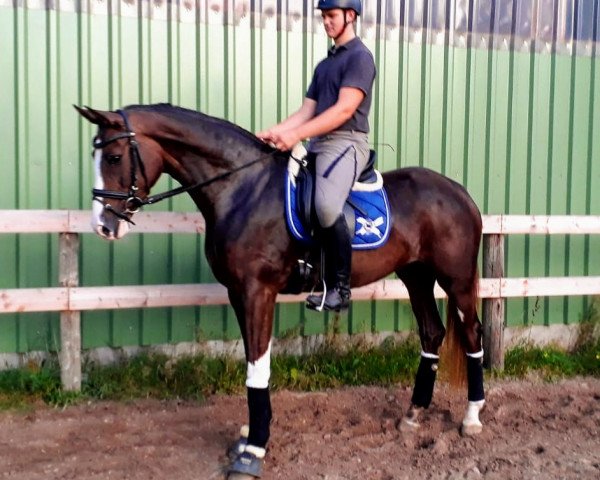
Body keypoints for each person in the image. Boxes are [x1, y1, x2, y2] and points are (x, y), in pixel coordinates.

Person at [257, 0, 376, 312]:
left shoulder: (360, 58)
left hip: (347, 142)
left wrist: (297, 135)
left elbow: (344, 109)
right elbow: (307, 110)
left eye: (331, 16)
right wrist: (274, 132)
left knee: (325, 206)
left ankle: (340, 289)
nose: (326, 22)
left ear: (351, 16)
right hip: (319, 143)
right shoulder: (325, 65)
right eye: (324, 17)